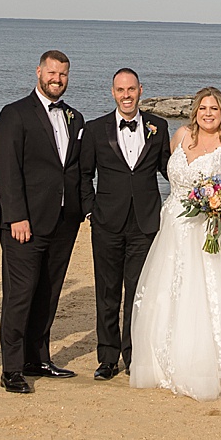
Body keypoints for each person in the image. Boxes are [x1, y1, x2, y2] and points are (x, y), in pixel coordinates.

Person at [130, 87, 221, 402]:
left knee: (207, 296)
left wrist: (216, 209)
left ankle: (212, 364)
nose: (208, 113)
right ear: (195, 111)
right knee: (169, 293)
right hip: (173, 227)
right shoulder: (179, 136)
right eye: (203, 108)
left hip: (210, 229)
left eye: (214, 109)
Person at [0, 50, 87, 394]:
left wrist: (83, 210)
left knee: (49, 292)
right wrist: (16, 215)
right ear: (38, 72)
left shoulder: (75, 117)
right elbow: (6, 168)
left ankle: (38, 358)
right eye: (52, 73)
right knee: (20, 295)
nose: (57, 79)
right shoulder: (14, 113)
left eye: (63, 74)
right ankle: (12, 369)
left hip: (64, 221)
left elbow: (75, 170)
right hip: (25, 222)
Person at [79, 67, 169, 380]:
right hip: (106, 222)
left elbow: (169, 169)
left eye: (131, 89)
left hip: (145, 223)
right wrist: (91, 209)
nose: (126, 95)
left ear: (140, 90)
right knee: (107, 292)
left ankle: (134, 357)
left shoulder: (159, 126)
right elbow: (83, 174)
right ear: (113, 92)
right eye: (120, 90)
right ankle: (107, 358)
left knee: (138, 293)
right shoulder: (95, 129)